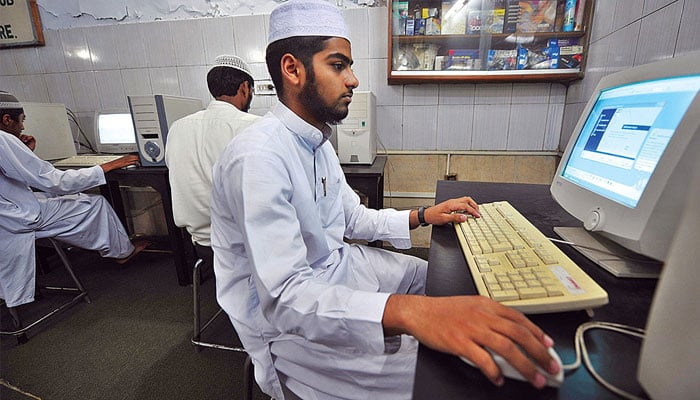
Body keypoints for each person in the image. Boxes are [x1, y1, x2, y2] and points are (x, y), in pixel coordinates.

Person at [209, 1, 560, 399]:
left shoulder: (316, 140)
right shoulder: (257, 157)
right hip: (292, 327)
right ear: (293, 70)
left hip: (338, 268)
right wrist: (414, 314)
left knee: (448, 283)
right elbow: (286, 299)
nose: (354, 80)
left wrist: (424, 214)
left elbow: (353, 219)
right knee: (450, 369)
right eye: (339, 65)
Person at [0, 90, 149, 309]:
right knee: (94, 204)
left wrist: (25, 153)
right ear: (6, 119)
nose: (22, 127)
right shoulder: (3, 139)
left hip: (7, 216)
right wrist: (106, 166)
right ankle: (123, 252)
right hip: (18, 219)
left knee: (63, 197)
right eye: (21, 121)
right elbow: (54, 181)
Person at [165, 54, 260, 263]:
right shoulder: (253, 126)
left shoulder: (177, 127)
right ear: (245, 87)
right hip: (248, 245)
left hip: (202, 246)